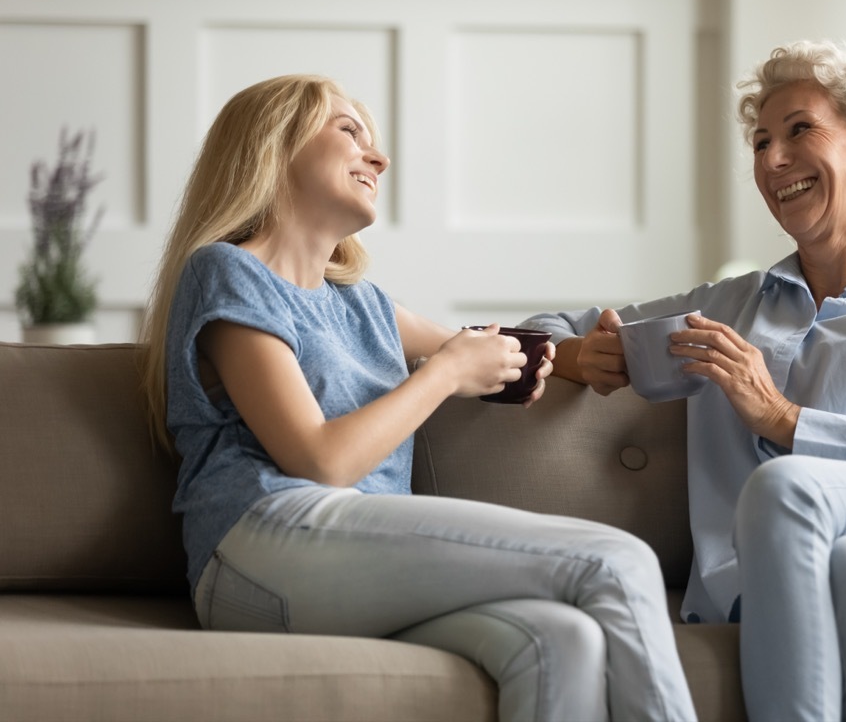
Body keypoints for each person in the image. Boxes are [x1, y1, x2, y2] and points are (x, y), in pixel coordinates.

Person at [139, 74, 698, 722]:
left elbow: (488, 347)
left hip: (347, 565)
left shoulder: (365, 305)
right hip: (261, 546)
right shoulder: (227, 271)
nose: (378, 157)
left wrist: (578, 355)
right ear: (274, 146)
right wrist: (442, 374)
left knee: (558, 639)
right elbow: (319, 460)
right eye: (349, 131)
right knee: (618, 562)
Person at [521, 40, 846, 722]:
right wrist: (581, 354)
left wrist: (788, 422)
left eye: (799, 130)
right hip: (775, 576)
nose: (771, 159)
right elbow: (536, 328)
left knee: (787, 486)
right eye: (760, 143)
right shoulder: (728, 308)